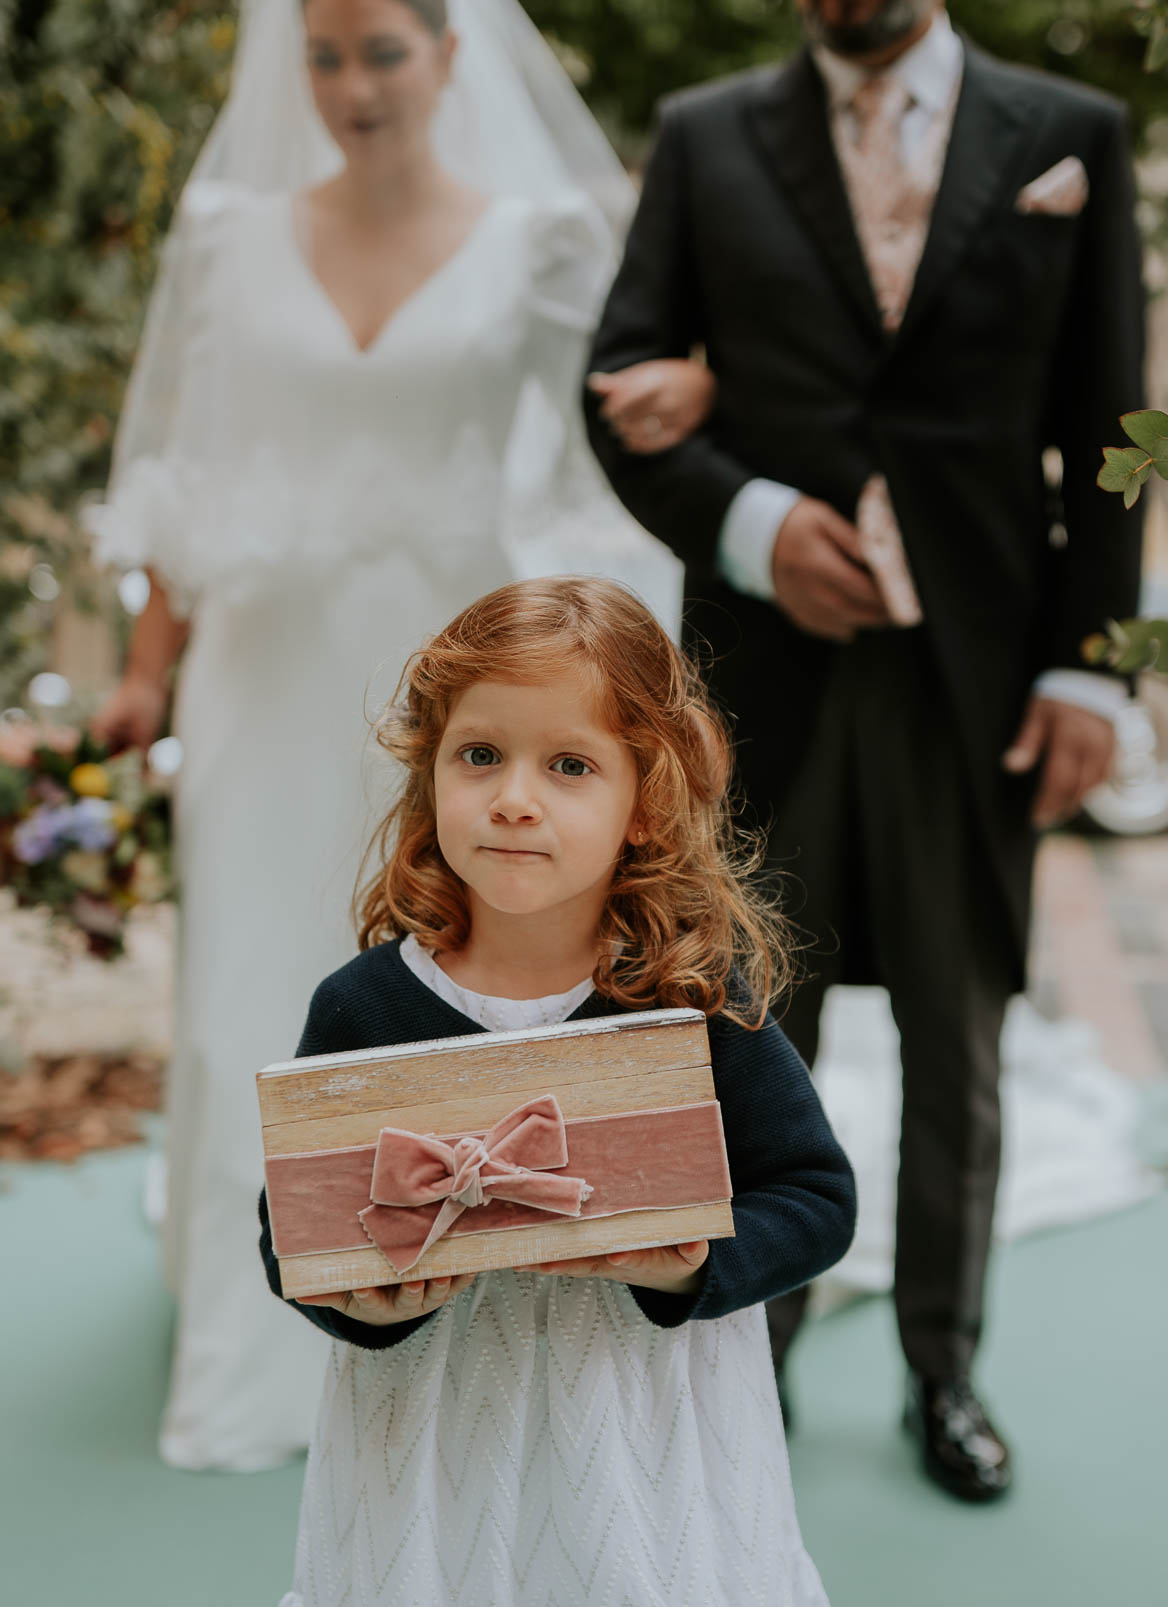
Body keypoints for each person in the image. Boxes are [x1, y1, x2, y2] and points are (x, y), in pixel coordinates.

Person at [88, 0, 708, 1471]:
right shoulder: (231, 233)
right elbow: (185, 467)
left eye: (382, 51)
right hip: (265, 663)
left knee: (432, 943)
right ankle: (258, 1305)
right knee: (253, 953)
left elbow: (623, 423)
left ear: (449, 55)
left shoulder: (539, 239)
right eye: (325, 55)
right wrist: (141, 674)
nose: (353, 85)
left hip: (454, 678)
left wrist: (703, 390)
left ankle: (449, 1246)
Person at [585, 0, 1145, 1501]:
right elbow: (622, 392)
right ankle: (741, 1366)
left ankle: (943, 1370)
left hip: (979, 672)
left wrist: (1090, 676)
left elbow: (1114, 426)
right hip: (766, 676)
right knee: (755, 1023)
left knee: (961, 1037)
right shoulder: (708, 138)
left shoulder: (1067, 140)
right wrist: (755, 526)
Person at [237, 575, 867, 1607]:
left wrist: (695, 1267)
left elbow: (818, 1197)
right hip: (434, 1443)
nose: (515, 799)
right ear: (430, 776)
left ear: (644, 799)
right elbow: (292, 1225)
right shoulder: (365, 1005)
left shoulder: (686, 997)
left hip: (641, 1435)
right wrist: (366, 1304)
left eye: (569, 766)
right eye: (480, 755)